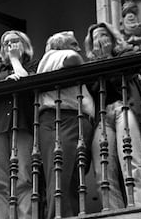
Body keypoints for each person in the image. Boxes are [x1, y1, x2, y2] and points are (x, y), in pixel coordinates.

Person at [84, 22, 141, 209]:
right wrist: (100, 62)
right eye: (95, 37)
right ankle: (114, 211)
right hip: (102, 117)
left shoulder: (126, 55)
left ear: (112, 38)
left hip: (123, 108)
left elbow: (120, 80)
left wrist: (106, 59)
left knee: (132, 161)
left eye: (103, 35)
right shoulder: (90, 66)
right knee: (102, 172)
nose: (100, 40)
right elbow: (95, 90)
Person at [36, 31, 95, 217]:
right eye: (74, 43)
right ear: (61, 45)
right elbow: (73, 58)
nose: (79, 48)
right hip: (62, 120)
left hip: (68, 120)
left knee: (68, 176)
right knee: (61, 174)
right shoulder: (54, 55)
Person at [0, 30, 36, 219]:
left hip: (23, 124)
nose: (10, 46)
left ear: (24, 44)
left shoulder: (33, 65)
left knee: (24, 179)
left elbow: (27, 84)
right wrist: (5, 83)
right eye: (6, 43)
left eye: (15, 41)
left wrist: (15, 60)